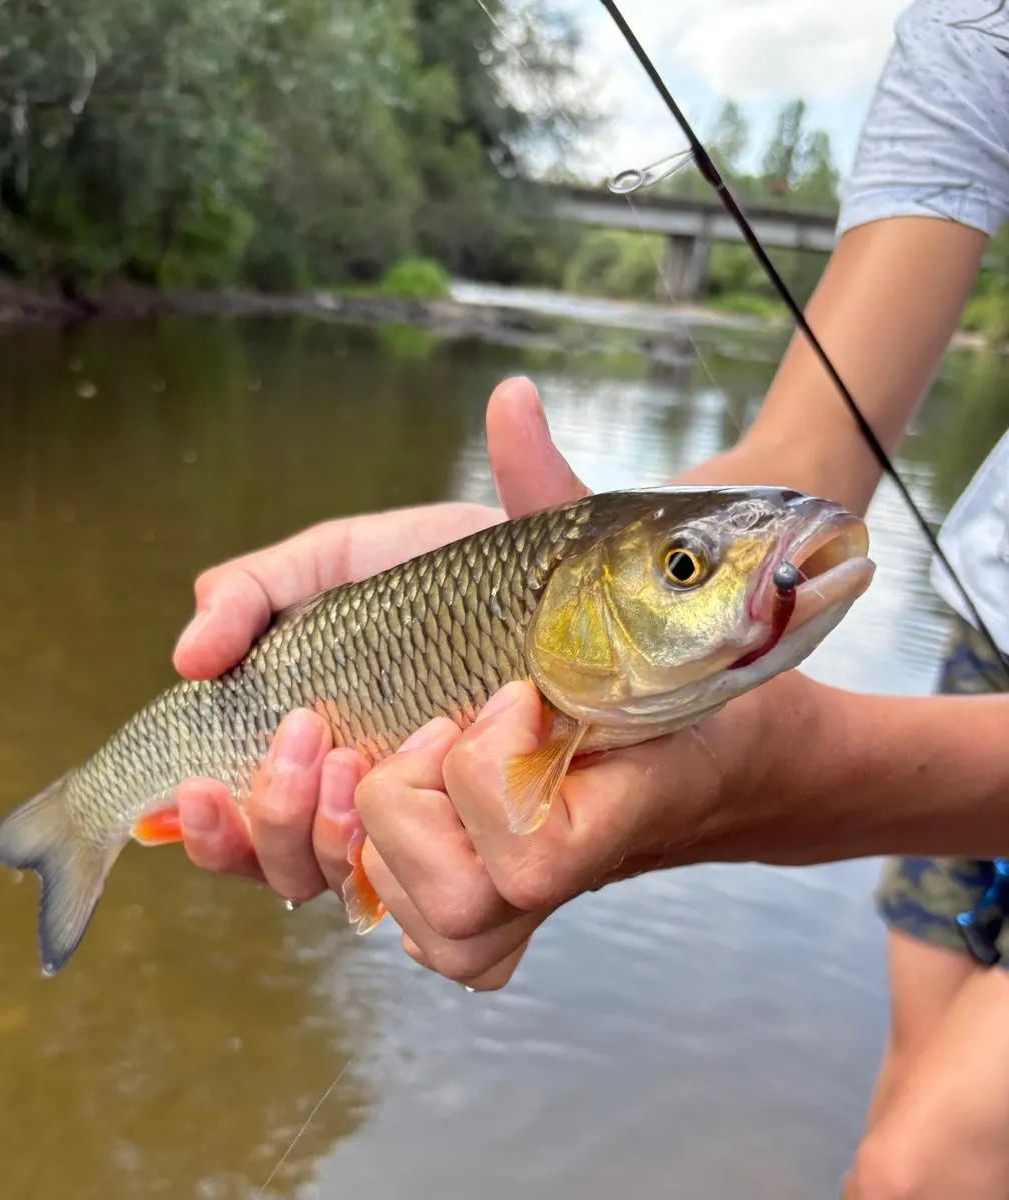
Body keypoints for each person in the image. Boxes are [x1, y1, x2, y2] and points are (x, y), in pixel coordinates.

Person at [170, 3, 1009, 1196]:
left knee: (920, 1167)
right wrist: (516, 562)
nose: (716, 574)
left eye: (682, 575)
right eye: (687, 573)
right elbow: (808, 458)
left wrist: (773, 774)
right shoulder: (971, 25)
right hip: (985, 636)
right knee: (913, 1073)